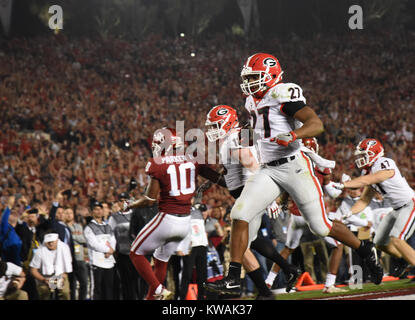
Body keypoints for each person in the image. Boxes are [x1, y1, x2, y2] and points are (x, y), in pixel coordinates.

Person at [204, 53, 383, 296]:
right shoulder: (251, 100)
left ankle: (364, 247)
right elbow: (260, 128)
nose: (250, 83)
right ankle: (233, 277)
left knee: (320, 226)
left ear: (272, 76)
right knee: (239, 213)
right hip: (268, 169)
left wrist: (294, 135)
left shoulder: (282, 93)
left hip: (294, 166)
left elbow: (315, 123)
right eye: (248, 77)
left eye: (255, 77)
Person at [204, 105, 300, 299]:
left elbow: (253, 165)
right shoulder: (231, 138)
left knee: (240, 246)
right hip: (245, 193)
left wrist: (267, 196)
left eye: (216, 125)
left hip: (251, 193)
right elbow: (235, 172)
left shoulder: (236, 137)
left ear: (228, 122)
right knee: (251, 242)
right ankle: (284, 273)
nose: (212, 130)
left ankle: (251, 286)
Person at [126, 128, 227, 300]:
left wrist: (130, 204)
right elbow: (218, 179)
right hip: (185, 222)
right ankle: (152, 297)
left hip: (168, 218)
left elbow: (150, 199)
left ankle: (158, 288)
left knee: (136, 253)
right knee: (161, 258)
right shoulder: (193, 158)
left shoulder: (157, 163)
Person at [265, 137, 346, 293]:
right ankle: (329, 284)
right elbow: (332, 193)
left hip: (296, 216)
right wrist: (342, 185)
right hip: (315, 215)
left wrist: (282, 202)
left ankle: (268, 283)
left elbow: (285, 192)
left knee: (288, 249)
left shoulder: (291, 164)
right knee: (338, 246)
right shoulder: (322, 166)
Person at [333, 138, 415, 278]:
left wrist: (346, 184)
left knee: (396, 238)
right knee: (379, 242)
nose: (361, 158)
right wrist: (348, 214)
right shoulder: (367, 173)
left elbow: (373, 178)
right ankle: (403, 260)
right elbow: (364, 199)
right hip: (396, 209)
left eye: (364, 155)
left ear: (374, 153)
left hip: (409, 204)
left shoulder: (384, 162)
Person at [108, 192, 139, 300]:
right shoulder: (113, 218)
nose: (124, 202)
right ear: (118, 203)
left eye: (126, 200)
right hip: (122, 254)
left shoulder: (136, 214)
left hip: (136, 253)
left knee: (137, 280)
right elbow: (110, 235)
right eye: (121, 200)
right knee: (125, 281)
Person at [84, 200, 117, 300]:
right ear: (92, 212)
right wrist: (109, 250)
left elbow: (113, 240)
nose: (98, 211)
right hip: (97, 263)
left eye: (100, 209)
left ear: (103, 211)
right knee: (97, 290)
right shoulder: (89, 228)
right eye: (96, 209)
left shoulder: (107, 226)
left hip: (109, 262)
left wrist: (111, 250)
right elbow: (94, 244)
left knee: (109, 289)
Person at [29, 232, 73, 300]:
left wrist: (60, 278)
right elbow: (33, 270)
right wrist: (44, 280)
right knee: (44, 293)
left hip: (60, 276)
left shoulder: (64, 249)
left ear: (57, 241)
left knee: (65, 292)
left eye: (52, 241)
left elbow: (66, 268)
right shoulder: (39, 252)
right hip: (44, 277)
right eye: (48, 242)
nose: (51, 243)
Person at [64, 207, 89, 300]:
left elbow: (83, 239)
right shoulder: (63, 227)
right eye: (67, 213)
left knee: (84, 282)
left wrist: (72, 237)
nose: (69, 215)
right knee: (72, 284)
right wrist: (76, 237)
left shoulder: (79, 226)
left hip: (80, 258)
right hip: (69, 259)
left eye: (70, 213)